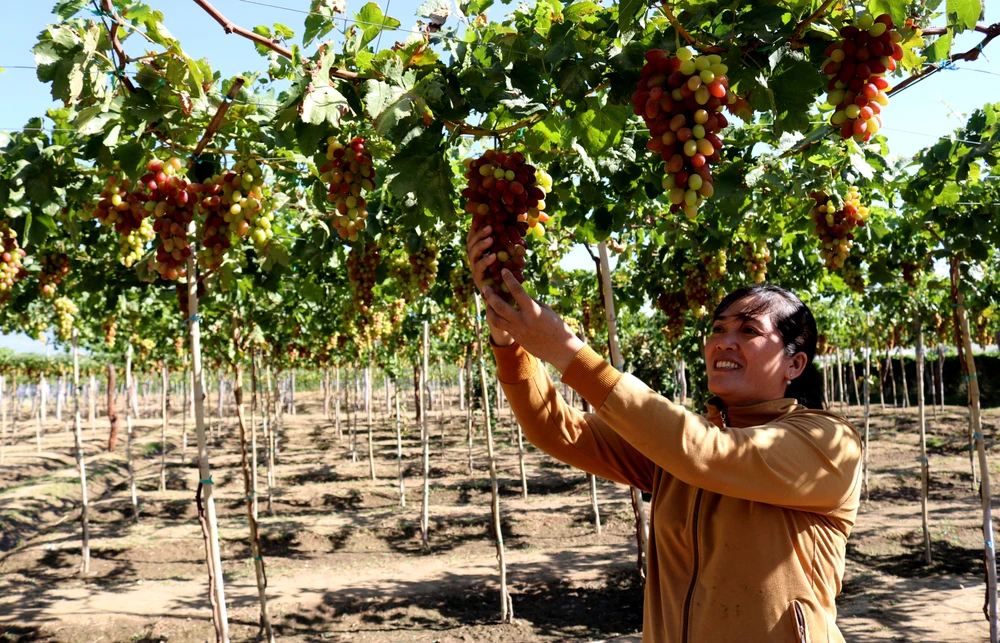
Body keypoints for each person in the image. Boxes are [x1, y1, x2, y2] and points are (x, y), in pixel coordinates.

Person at [467, 226, 863, 643]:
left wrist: (567, 351)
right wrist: (509, 337)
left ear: (794, 364)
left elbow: (712, 454)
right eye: (718, 329)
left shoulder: (828, 442)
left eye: (748, 331)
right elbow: (558, 430)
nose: (723, 342)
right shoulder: (676, 448)